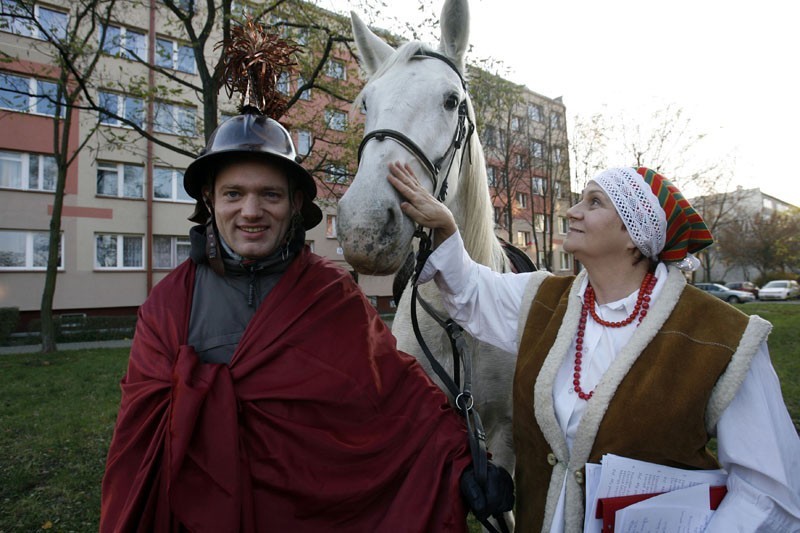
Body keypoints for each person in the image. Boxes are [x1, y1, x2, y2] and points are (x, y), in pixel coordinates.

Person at [98, 22, 485, 530]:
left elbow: (400, 399)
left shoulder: (332, 298)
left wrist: (462, 463)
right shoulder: (169, 308)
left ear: (297, 204)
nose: (251, 212)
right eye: (234, 194)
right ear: (210, 201)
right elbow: (139, 453)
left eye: (271, 195)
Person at [387, 162, 800, 532]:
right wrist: (446, 226)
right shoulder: (544, 299)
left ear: (633, 235)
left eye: (594, 202)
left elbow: (769, 490)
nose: (572, 211)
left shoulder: (723, 336)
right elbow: (474, 289)